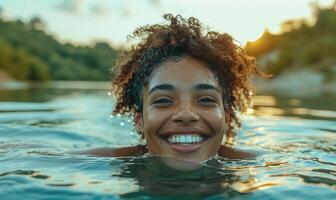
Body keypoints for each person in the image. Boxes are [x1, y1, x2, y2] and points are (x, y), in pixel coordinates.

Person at [81, 14, 262, 166]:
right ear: (139, 122)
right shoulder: (106, 161)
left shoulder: (260, 165)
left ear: (226, 117)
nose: (186, 114)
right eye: (163, 101)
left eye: (206, 100)